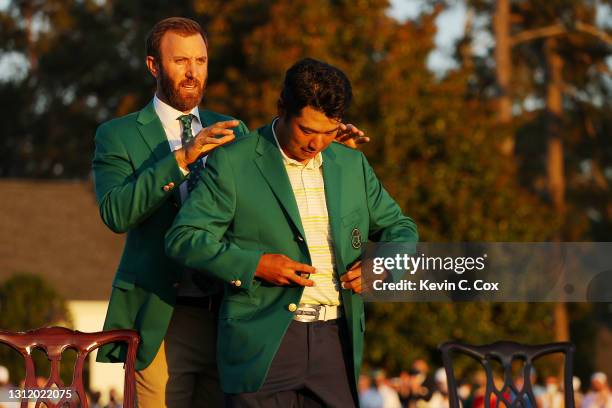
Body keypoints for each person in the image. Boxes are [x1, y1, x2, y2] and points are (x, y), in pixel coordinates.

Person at [93, 17, 369, 408]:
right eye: (180, 61)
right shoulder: (117, 134)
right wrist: (183, 158)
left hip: (233, 317)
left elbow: (276, 175)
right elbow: (116, 214)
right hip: (163, 316)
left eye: (201, 61)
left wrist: (320, 139)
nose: (192, 72)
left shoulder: (234, 131)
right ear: (154, 66)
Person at [166, 57, 418, 407]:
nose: (317, 144)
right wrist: (254, 265)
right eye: (307, 130)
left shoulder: (352, 164)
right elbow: (184, 238)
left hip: (335, 342)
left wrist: (385, 264)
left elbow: (401, 228)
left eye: (329, 132)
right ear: (282, 108)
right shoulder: (234, 162)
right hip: (262, 345)